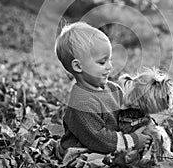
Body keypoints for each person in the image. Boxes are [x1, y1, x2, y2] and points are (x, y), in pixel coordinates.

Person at [55, 21, 151, 156]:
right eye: (102, 62)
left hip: (112, 145)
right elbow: (100, 139)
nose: (109, 66)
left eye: (110, 60)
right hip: (83, 151)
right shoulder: (82, 103)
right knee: (105, 167)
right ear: (78, 66)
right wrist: (133, 140)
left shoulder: (113, 89)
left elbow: (126, 112)